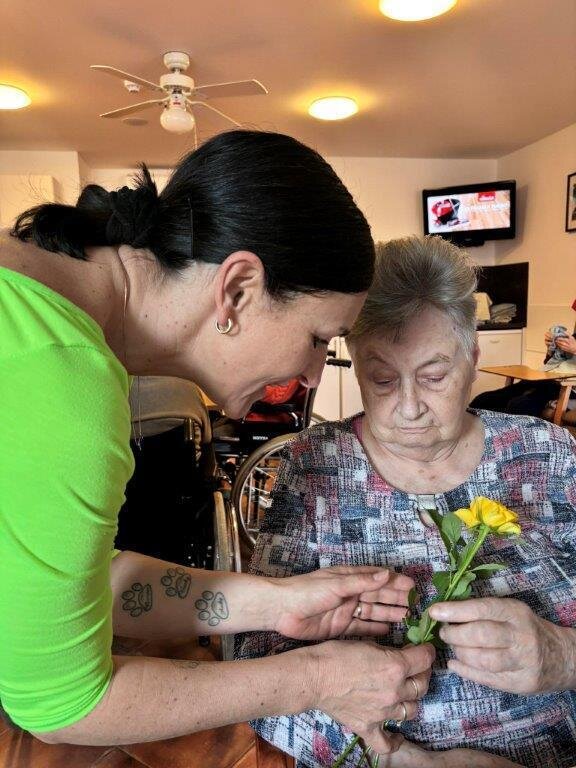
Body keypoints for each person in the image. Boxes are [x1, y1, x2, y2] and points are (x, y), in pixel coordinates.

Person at [0, 130, 435, 749]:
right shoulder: (64, 383)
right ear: (237, 289)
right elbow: (61, 702)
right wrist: (317, 677)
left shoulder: (34, 304)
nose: (314, 373)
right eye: (318, 338)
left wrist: (276, 603)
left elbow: (72, 586)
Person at [237, 235, 576, 768]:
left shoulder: (548, 453)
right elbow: (256, 665)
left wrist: (565, 655)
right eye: (383, 379)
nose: (410, 406)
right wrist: (403, 761)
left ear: (473, 359)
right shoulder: (315, 465)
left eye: (434, 376)